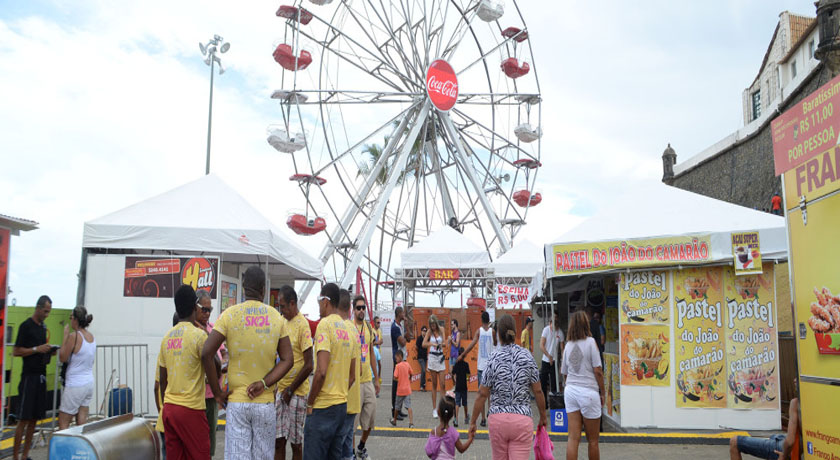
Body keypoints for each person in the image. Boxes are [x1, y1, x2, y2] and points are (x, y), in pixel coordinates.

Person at [202, 266, 294, 460]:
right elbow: (288, 359)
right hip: (265, 402)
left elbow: (207, 353)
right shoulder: (276, 318)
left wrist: (218, 392)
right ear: (263, 290)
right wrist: (264, 382)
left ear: (244, 288)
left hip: (237, 402)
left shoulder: (229, 314)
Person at [470, 314, 547, 459]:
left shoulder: (493, 358)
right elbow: (538, 390)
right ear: (515, 332)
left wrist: (473, 422)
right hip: (522, 420)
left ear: (498, 334)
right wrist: (543, 416)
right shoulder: (527, 356)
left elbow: (482, 394)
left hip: (498, 420)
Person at [303, 283, 355, 460]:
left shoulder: (324, 325)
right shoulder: (347, 329)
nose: (318, 305)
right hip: (341, 406)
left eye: (319, 300)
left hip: (323, 407)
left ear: (325, 301)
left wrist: (310, 402)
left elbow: (321, 372)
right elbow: (352, 375)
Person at [159, 285, 210, 459]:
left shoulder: (167, 337)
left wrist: (165, 405)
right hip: (192, 409)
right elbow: (215, 367)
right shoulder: (199, 336)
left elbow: (162, 379)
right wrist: (218, 395)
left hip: (170, 408)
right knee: (201, 455)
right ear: (195, 307)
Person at [12, 295, 56, 460]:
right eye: (45, 311)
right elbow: (16, 351)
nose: (46, 314)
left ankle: (25, 455)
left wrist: (49, 352)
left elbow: (41, 352)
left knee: (34, 419)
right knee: (23, 419)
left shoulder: (43, 328)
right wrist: (37, 349)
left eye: (49, 312)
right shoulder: (26, 326)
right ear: (38, 308)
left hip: (41, 376)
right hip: (28, 377)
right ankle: (16, 456)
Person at [275, 285, 313, 460]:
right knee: (278, 440)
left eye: (282, 306)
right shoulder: (282, 322)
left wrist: (291, 390)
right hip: (280, 392)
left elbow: (309, 365)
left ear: (292, 304)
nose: (281, 310)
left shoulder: (302, 325)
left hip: (296, 393)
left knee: (296, 443)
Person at [561, 310, 605, 460]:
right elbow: (598, 371)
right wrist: (603, 392)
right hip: (589, 393)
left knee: (573, 438)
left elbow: (565, 373)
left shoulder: (567, 346)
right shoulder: (591, 343)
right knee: (593, 441)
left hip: (571, 391)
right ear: (586, 324)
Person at [730, 379, 800, 460]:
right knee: (774, 437)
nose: (794, 380)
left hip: (790, 448)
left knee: (734, 441)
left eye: (797, 377)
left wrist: (784, 456)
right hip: (787, 440)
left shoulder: (796, 403)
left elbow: (790, 442)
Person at [58, 306, 96, 430]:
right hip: (88, 382)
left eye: (71, 317)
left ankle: (64, 449)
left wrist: (65, 336)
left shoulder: (74, 336)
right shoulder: (91, 337)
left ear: (75, 319)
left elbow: (62, 357)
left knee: (64, 421)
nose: (70, 320)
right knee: (81, 422)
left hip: (75, 384)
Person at [195, 290, 222, 457]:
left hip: (212, 395)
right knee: (196, 441)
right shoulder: (191, 331)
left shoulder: (213, 329)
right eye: (203, 309)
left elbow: (222, 353)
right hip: (196, 396)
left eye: (209, 310)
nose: (206, 313)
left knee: (210, 441)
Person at [353, 295, 379, 460]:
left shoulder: (369, 329)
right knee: (353, 424)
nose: (361, 310)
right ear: (353, 309)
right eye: (358, 308)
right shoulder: (349, 327)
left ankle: (361, 447)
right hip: (354, 383)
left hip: (367, 380)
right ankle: (350, 453)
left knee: (370, 419)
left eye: (363, 308)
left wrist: (377, 379)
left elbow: (370, 353)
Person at [461, 311, 495, 427]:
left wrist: (463, 354)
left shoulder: (479, 332)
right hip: (491, 366)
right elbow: (496, 344)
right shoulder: (493, 332)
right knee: (490, 393)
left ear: (481, 320)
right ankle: (491, 417)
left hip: (481, 366)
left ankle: (483, 419)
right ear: (489, 320)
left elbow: (472, 344)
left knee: (482, 394)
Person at [337, 290, 361, 460]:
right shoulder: (354, 331)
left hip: (339, 398)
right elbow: (357, 370)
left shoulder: (335, 328)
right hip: (353, 398)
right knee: (346, 446)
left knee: (337, 446)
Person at [155, 313, 180, 460]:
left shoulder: (165, 344)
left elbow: (157, 385)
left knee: (167, 454)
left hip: (165, 415)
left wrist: (161, 409)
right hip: (180, 414)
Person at [424, 394, 474, 459]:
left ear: (438, 412)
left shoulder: (434, 432)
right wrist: (470, 439)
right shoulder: (453, 432)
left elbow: (428, 451)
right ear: (452, 415)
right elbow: (461, 449)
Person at [423, 315, 447, 419]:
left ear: (436, 323)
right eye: (431, 325)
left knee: (442, 384)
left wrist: (442, 344)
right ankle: (434, 409)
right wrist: (432, 343)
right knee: (434, 384)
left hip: (440, 357)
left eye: (434, 324)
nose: (432, 327)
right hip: (432, 357)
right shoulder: (429, 332)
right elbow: (423, 344)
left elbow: (445, 342)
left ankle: (442, 407)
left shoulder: (441, 329)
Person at [540, 308, 564, 404]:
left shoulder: (560, 332)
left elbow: (562, 349)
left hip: (554, 362)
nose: (555, 320)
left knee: (554, 384)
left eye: (556, 318)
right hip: (545, 360)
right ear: (551, 321)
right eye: (554, 318)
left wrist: (562, 362)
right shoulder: (546, 330)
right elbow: (541, 345)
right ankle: (544, 403)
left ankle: (553, 404)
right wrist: (548, 356)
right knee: (543, 383)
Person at [390, 307, 408, 418]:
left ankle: (399, 409)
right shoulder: (395, 327)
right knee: (396, 385)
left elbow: (408, 337)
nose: (404, 314)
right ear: (398, 314)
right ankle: (394, 411)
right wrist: (405, 337)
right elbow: (403, 342)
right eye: (402, 313)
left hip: (402, 358)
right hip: (397, 359)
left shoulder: (400, 326)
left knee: (401, 385)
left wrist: (407, 326)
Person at [390, 349, 414, 428]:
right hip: (407, 390)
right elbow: (412, 373)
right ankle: (411, 423)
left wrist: (399, 379)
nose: (395, 360)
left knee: (397, 407)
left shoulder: (397, 366)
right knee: (409, 406)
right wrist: (409, 379)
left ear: (400, 357)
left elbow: (395, 377)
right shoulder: (407, 364)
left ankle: (394, 420)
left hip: (400, 391)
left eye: (396, 358)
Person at [450, 347, 469, 428]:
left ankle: (456, 419)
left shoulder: (456, 364)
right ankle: (466, 417)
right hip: (464, 386)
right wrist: (466, 379)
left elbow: (453, 373)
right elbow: (468, 375)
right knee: (465, 403)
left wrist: (454, 381)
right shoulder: (466, 365)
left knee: (457, 403)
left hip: (457, 387)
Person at [416, 326, 428, 391]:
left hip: (425, 357)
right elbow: (416, 347)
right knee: (423, 370)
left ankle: (423, 386)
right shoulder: (419, 338)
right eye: (423, 330)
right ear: (421, 331)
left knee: (423, 371)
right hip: (420, 357)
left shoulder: (427, 338)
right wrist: (420, 351)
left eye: (425, 331)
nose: (424, 332)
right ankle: (422, 385)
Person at [372, 317, 383, 385]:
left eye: (380, 322)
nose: (379, 324)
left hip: (378, 352)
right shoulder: (372, 331)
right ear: (374, 323)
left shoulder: (379, 331)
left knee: (379, 367)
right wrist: (377, 342)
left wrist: (378, 342)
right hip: (373, 352)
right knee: (374, 368)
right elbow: (371, 343)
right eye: (378, 322)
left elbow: (381, 340)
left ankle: (378, 379)